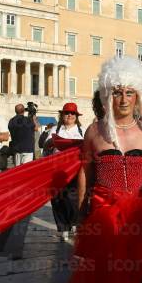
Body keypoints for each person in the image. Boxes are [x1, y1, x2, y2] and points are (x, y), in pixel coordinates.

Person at [68, 56, 142, 283]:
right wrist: (81, 210)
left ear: (138, 96)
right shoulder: (93, 131)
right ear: (107, 95)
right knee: (107, 279)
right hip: (103, 217)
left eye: (129, 93)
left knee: (138, 277)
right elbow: (85, 172)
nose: (123, 99)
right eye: (117, 92)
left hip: (140, 217)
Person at [44, 103, 84, 241]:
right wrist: (53, 142)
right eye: (67, 113)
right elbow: (46, 144)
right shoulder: (55, 129)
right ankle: (63, 228)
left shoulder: (82, 130)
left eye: (72, 113)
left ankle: (73, 222)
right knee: (57, 199)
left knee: (72, 198)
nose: (69, 115)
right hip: (56, 169)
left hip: (74, 170)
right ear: (62, 115)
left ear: (76, 116)